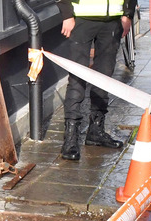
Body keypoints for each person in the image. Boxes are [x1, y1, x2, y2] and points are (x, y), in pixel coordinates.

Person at [56, 0, 137, 161]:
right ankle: (71, 137)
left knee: (104, 77)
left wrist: (128, 14)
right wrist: (67, 14)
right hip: (81, 19)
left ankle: (96, 131)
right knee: (77, 78)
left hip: (113, 20)